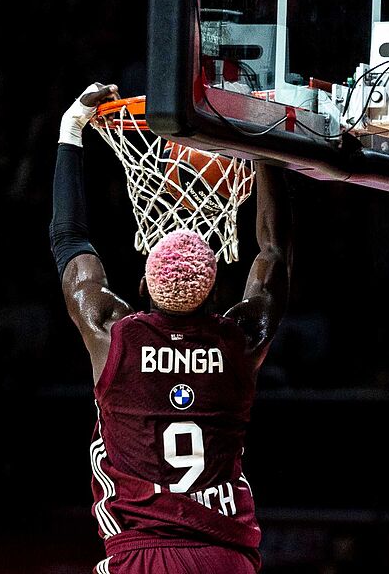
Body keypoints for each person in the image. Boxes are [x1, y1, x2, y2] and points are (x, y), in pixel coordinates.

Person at [51, 83, 291, 574]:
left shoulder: (110, 332)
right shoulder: (240, 339)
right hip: (224, 555)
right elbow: (273, 252)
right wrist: (265, 141)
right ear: (216, 292)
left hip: (142, 553)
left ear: (141, 286)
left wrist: (71, 129)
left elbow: (69, 239)